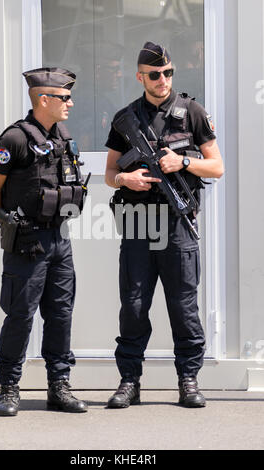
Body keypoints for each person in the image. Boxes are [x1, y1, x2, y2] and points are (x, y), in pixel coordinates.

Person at [105, 42, 224, 408]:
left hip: (177, 225)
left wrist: (183, 164)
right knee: (134, 305)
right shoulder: (126, 118)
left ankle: (188, 379)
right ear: (140, 77)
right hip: (139, 224)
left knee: (184, 305)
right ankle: (130, 381)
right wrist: (126, 181)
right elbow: (110, 173)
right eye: (155, 75)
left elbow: (216, 167)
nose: (163, 80)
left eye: (168, 73)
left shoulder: (192, 113)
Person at [0, 67, 88, 416]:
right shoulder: (14, 139)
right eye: (65, 97)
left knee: (60, 315)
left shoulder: (63, 135)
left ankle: (59, 386)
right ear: (44, 99)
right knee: (20, 316)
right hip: (27, 244)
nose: (70, 102)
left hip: (59, 241)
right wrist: (6, 221)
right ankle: (9, 388)